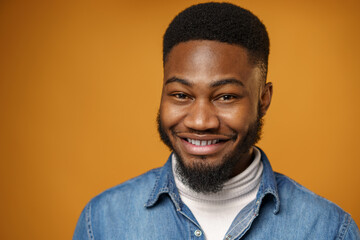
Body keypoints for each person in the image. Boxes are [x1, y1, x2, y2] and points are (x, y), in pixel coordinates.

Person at [73, 2, 360, 239]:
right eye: (181, 95)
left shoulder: (330, 230)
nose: (200, 121)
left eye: (225, 97)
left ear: (263, 98)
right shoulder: (101, 222)